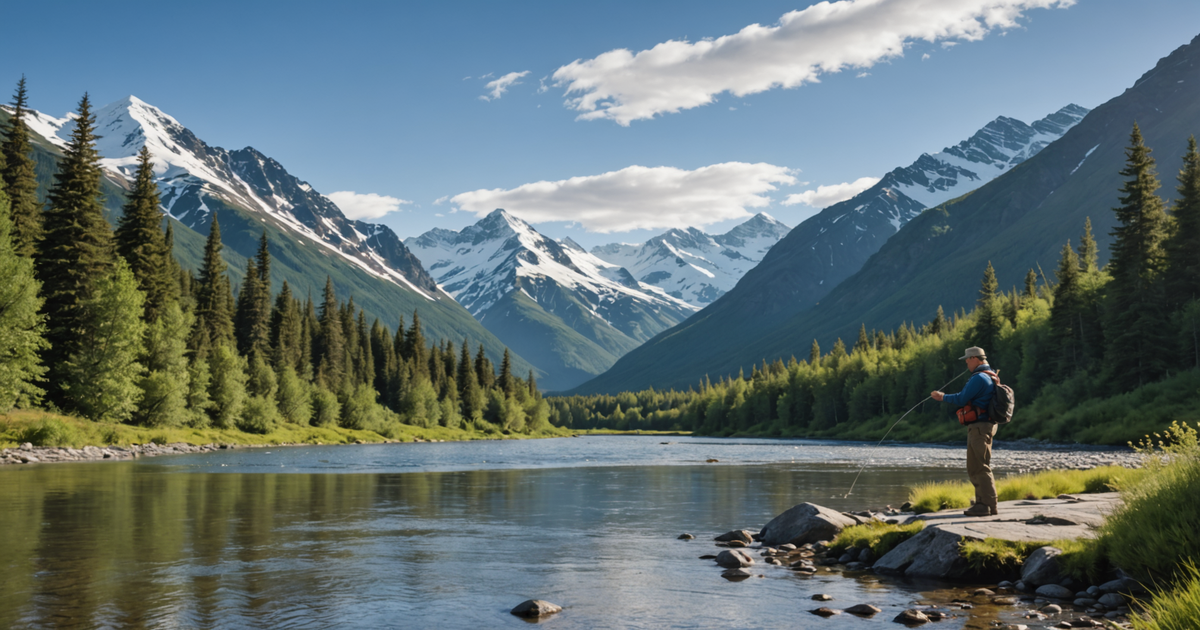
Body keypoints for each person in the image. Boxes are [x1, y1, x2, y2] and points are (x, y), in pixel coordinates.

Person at [931, 346, 999, 516]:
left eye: (968, 359)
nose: (966, 362)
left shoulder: (979, 378)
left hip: (979, 427)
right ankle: (982, 504)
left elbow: (962, 398)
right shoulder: (991, 375)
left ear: (975, 358)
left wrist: (943, 397)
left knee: (979, 467)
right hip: (985, 426)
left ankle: (988, 505)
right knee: (975, 466)